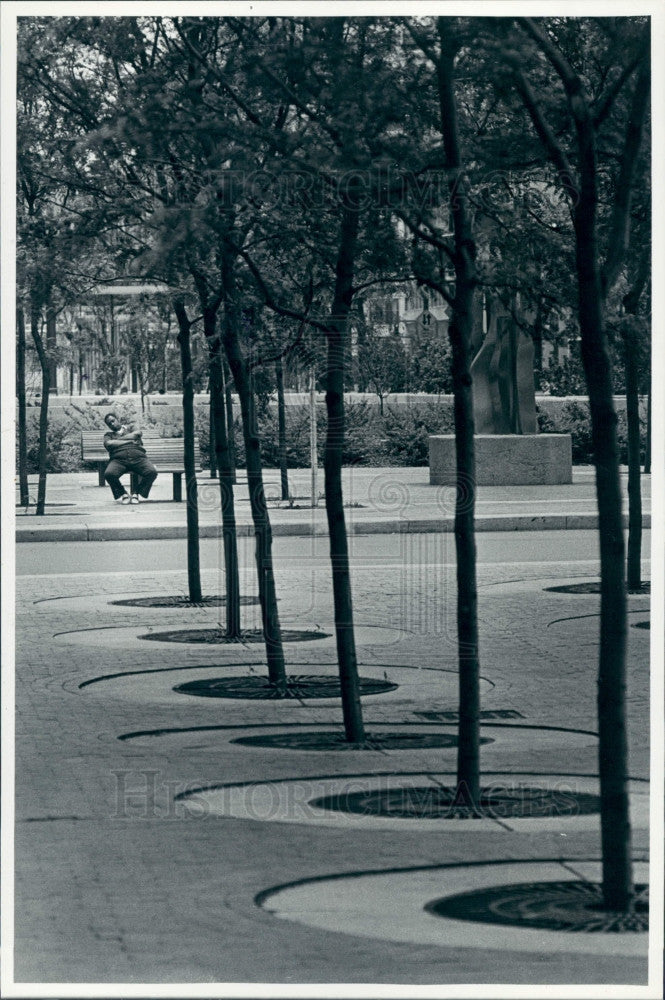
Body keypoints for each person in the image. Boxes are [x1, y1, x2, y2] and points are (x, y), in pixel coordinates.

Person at [103, 412, 158, 504]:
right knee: (109, 474)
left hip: (139, 458)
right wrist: (129, 441)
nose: (112, 424)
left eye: (113, 421)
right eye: (109, 423)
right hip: (118, 460)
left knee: (152, 472)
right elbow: (109, 443)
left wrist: (117, 441)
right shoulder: (108, 435)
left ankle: (136, 493)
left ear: (118, 419)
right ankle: (123, 494)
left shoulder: (131, 428)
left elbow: (137, 434)